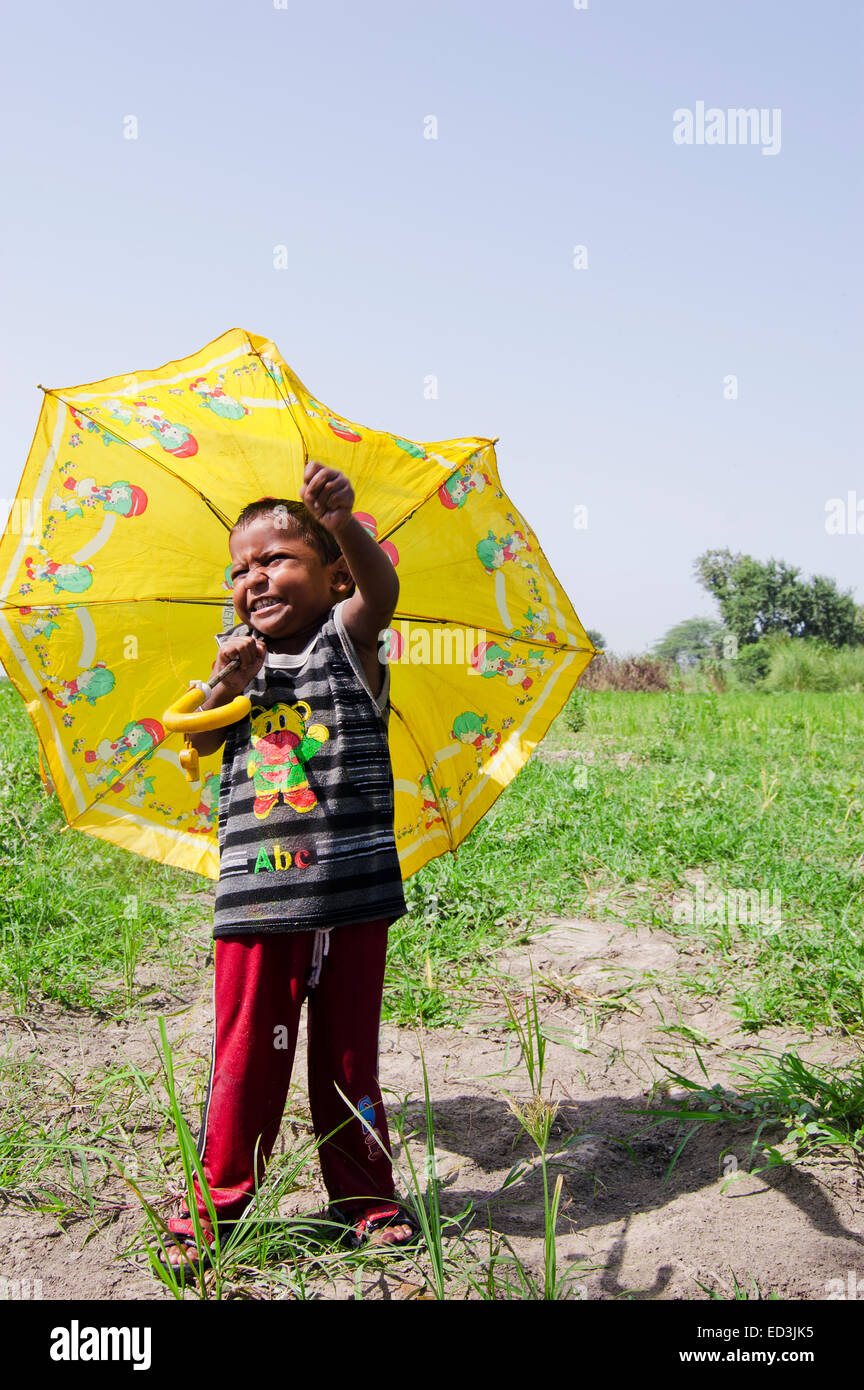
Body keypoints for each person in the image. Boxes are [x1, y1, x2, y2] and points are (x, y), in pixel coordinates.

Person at [161, 459, 415, 1277]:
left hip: (351, 896)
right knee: (244, 1059)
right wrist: (223, 685)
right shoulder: (234, 664)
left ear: (332, 573)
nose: (254, 576)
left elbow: (382, 594)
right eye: (240, 568)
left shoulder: (347, 640)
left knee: (350, 1060)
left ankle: (366, 1199)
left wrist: (343, 521)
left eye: (277, 558)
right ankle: (218, 1207)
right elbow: (196, 738)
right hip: (258, 902)